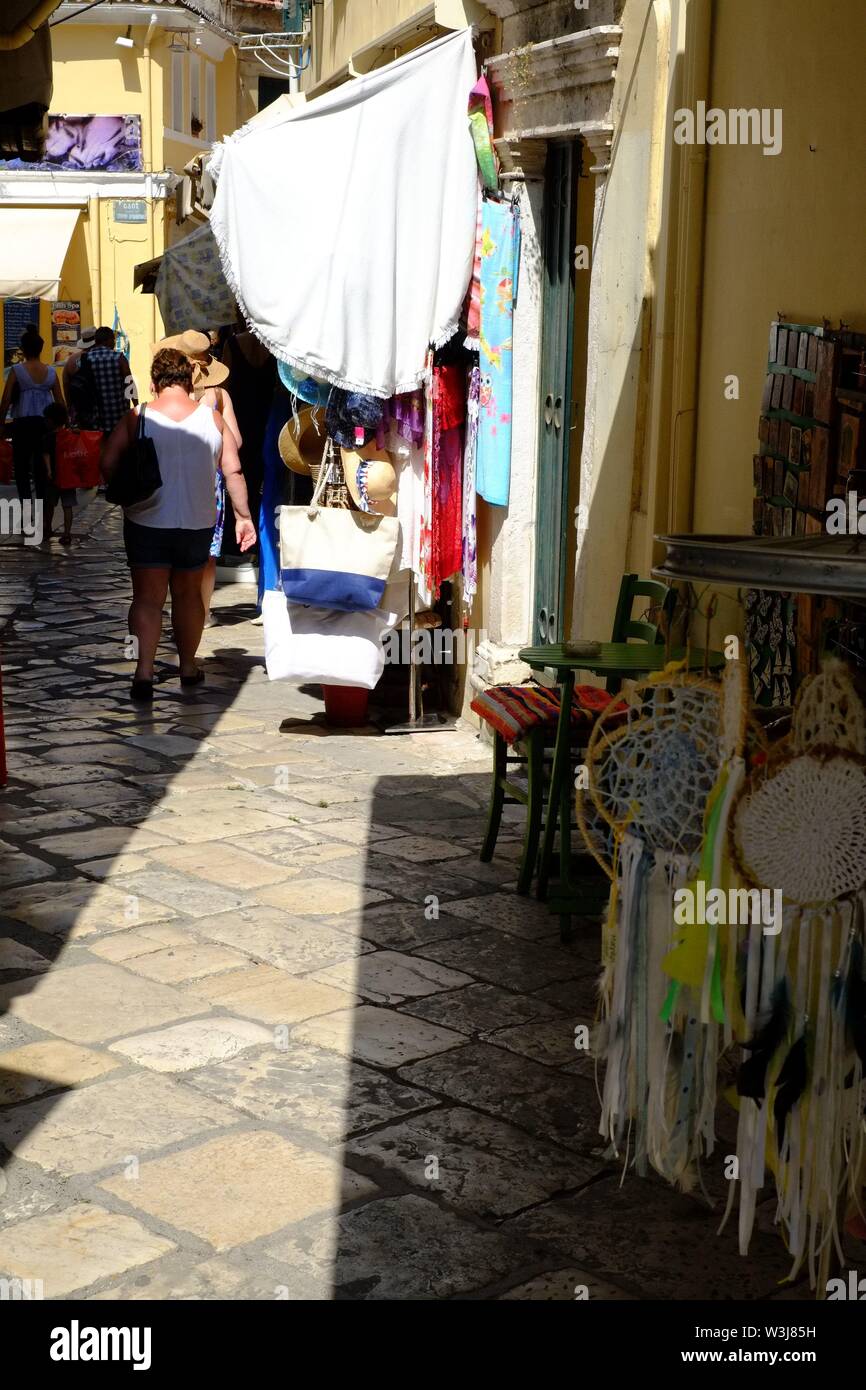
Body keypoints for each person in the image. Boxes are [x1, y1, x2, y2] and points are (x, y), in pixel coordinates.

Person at [100, 348, 256, 702]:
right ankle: (187, 667)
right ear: (190, 381)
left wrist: (127, 491)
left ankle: (143, 672)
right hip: (197, 521)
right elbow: (233, 469)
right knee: (188, 595)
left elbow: (108, 463)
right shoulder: (212, 419)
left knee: (146, 600)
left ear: (154, 383)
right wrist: (243, 517)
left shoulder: (138, 417)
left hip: (147, 520)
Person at [156, 330, 243, 625]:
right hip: (210, 482)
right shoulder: (218, 396)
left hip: (170, 478)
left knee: (170, 546)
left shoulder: (165, 394)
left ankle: (176, 604)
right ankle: (203, 612)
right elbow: (237, 442)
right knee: (208, 552)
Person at [0, 330, 63, 504]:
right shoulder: (51, 372)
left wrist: (1, 423)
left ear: (23, 350)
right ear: (41, 349)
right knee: (41, 470)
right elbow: (60, 401)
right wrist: (62, 425)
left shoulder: (17, 370)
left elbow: (5, 400)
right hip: (46, 424)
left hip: (23, 423)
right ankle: (42, 516)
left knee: (21, 470)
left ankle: (27, 517)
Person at [80, 326, 136, 434]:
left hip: (96, 419)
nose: (114, 343)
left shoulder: (85, 359)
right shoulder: (119, 357)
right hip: (119, 416)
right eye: (113, 340)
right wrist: (136, 406)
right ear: (108, 340)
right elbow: (129, 383)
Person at [42, 401, 77, 546]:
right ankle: (67, 534)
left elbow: (46, 455)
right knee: (67, 506)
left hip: (54, 478)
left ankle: (48, 529)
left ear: (50, 421)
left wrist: (49, 471)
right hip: (69, 477)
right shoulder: (70, 436)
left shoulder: (48, 438)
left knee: (49, 505)